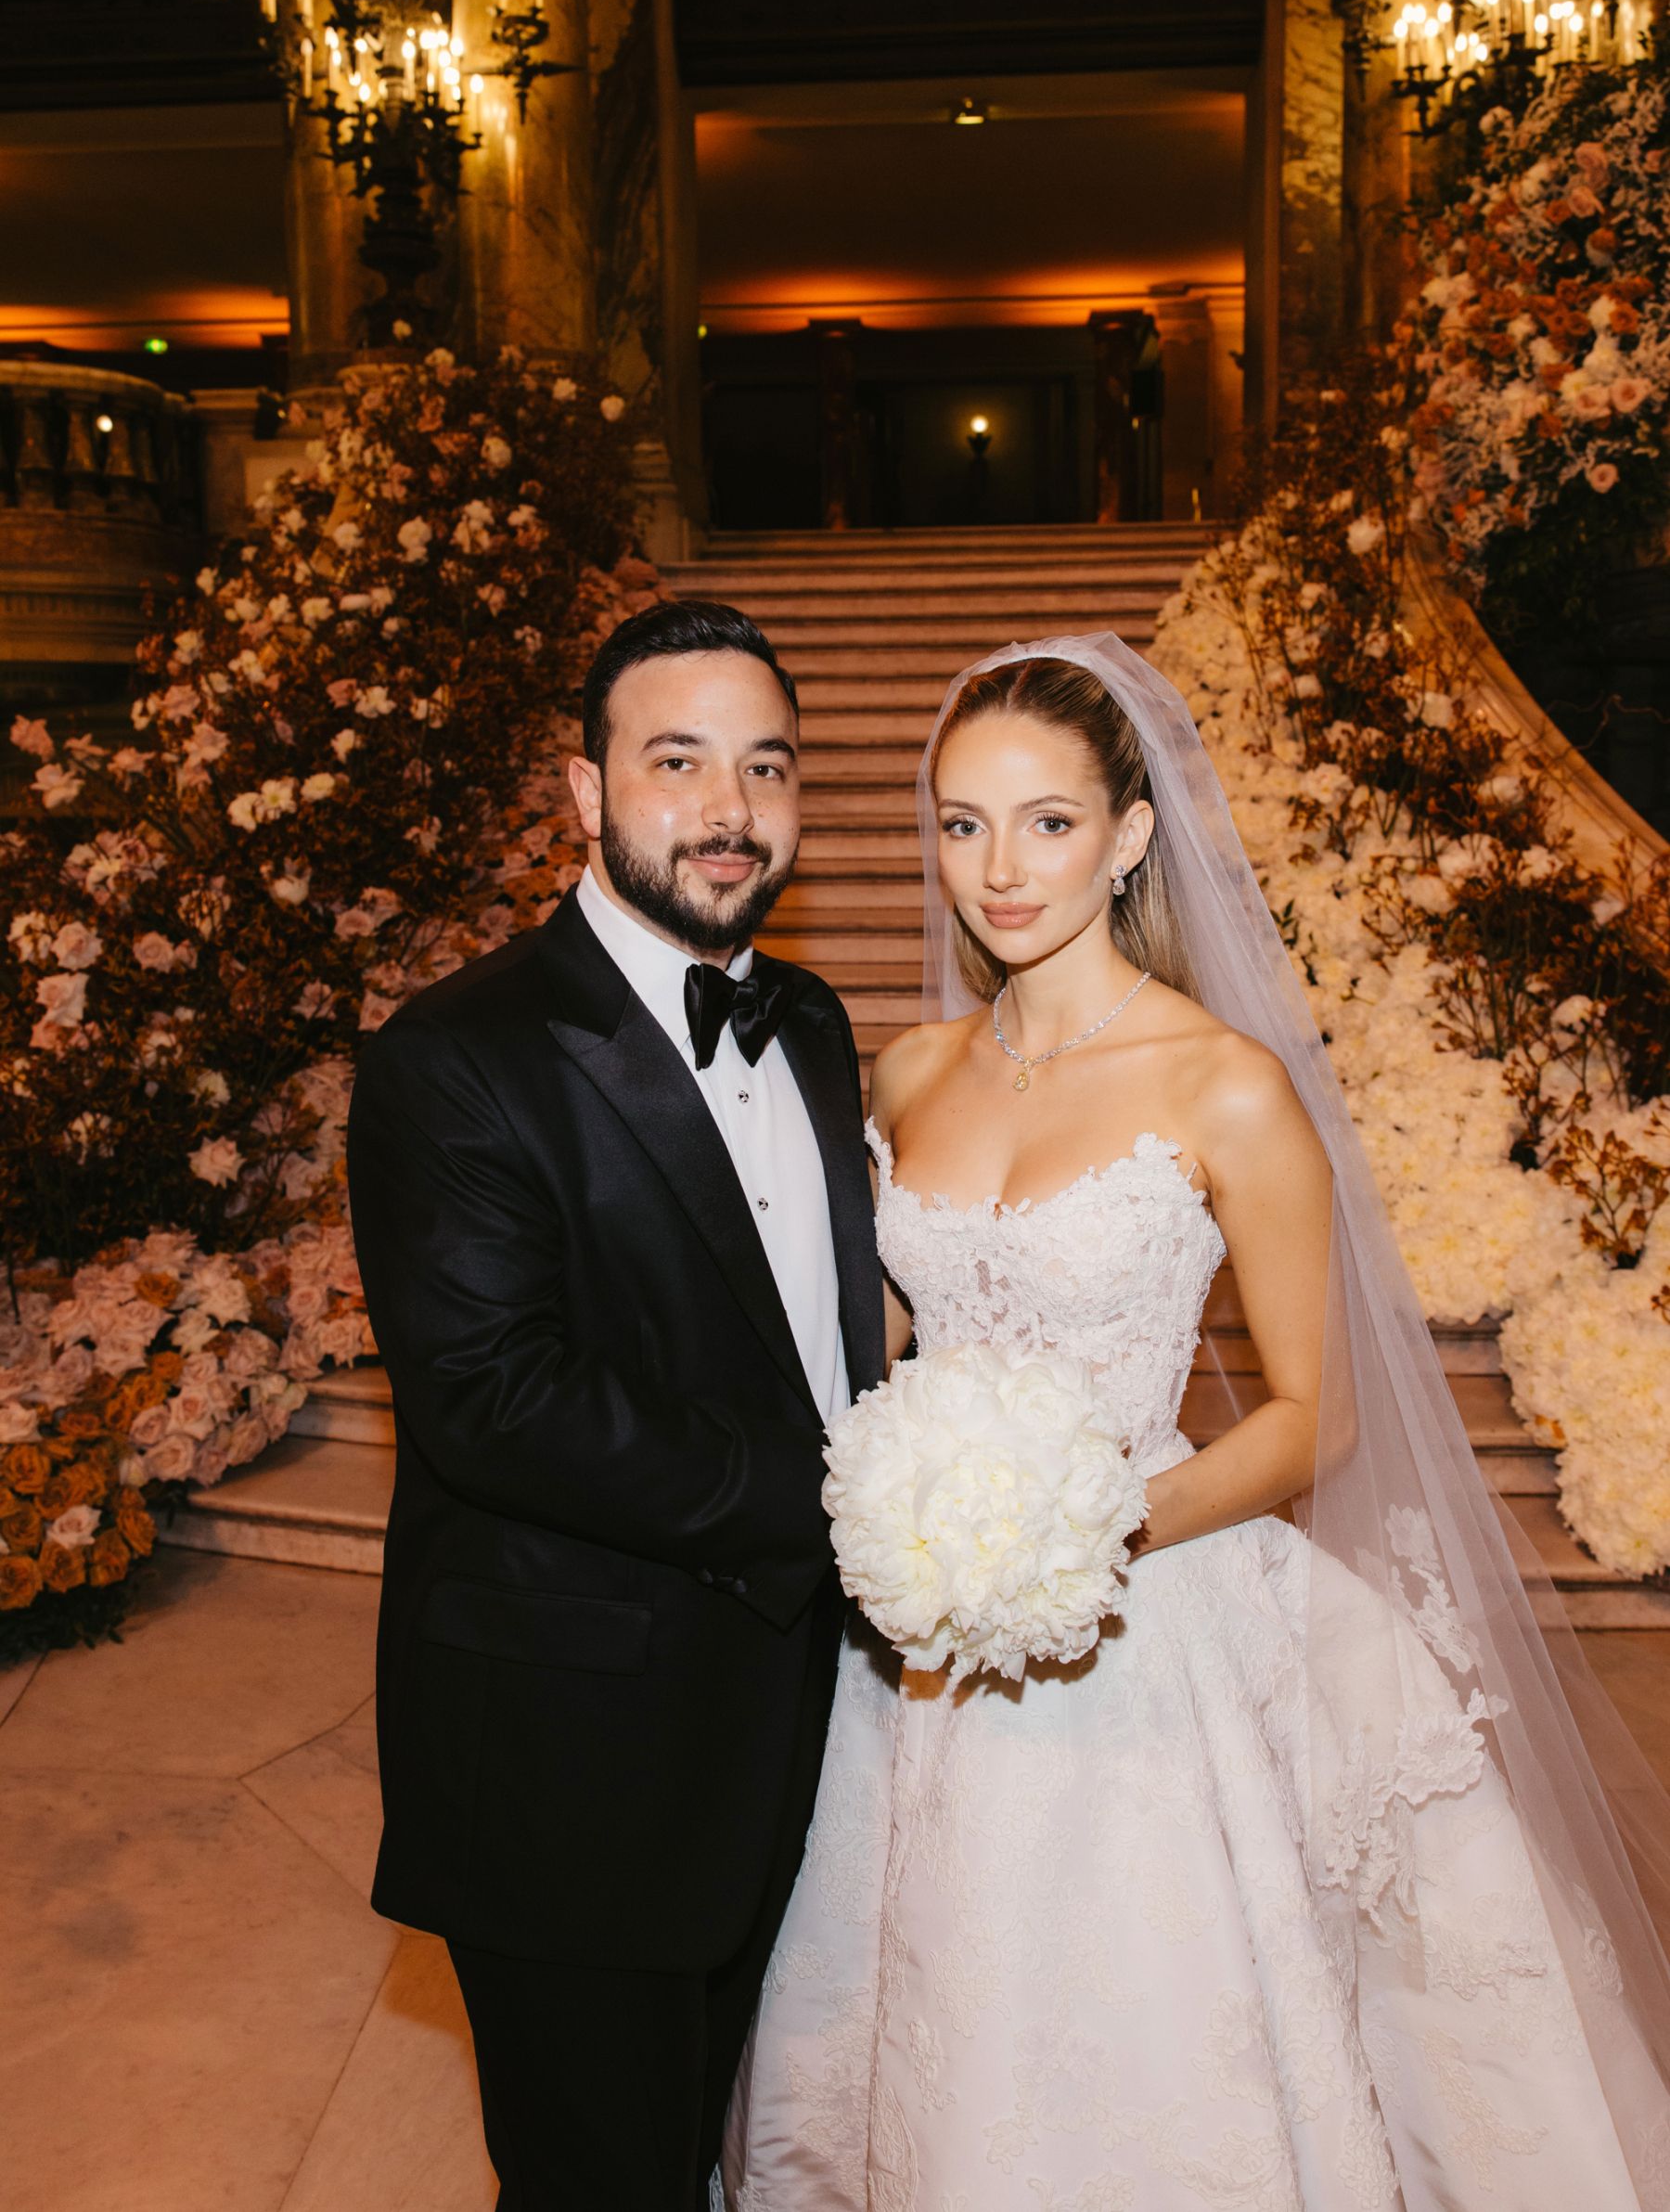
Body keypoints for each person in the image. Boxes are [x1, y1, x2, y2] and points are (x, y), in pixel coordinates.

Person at [726, 635, 1670, 2208]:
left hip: (1146, 1609)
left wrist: (1075, 1534)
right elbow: (869, 1357)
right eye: (962, 824)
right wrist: (901, 1515)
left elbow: (1316, 1418)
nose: (1000, 868)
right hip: (913, 1636)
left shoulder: (1225, 1085)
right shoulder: (906, 1073)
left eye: (1046, 821)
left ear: (1131, 834)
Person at [347, 599, 885, 2212]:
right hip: (570, 1752)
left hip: (791, 1710)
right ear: (584, 794)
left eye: (766, 767)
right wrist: (853, 1498)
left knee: (729, 2144)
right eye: (678, 762)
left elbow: (817, 1324)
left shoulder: (814, 1026)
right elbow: (494, 1399)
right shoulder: (458, 1057)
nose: (730, 811)